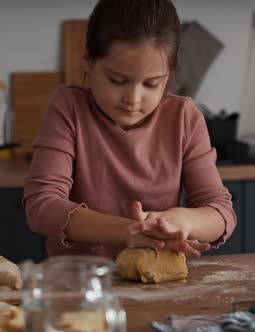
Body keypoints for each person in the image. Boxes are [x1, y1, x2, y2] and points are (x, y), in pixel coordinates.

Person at [23, 0, 236, 259]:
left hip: (160, 287)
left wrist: (185, 221)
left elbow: (221, 212)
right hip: (81, 283)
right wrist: (130, 231)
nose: (133, 98)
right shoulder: (69, 108)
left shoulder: (184, 117)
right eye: (117, 80)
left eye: (151, 84)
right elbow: (42, 205)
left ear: (168, 74)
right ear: (88, 60)